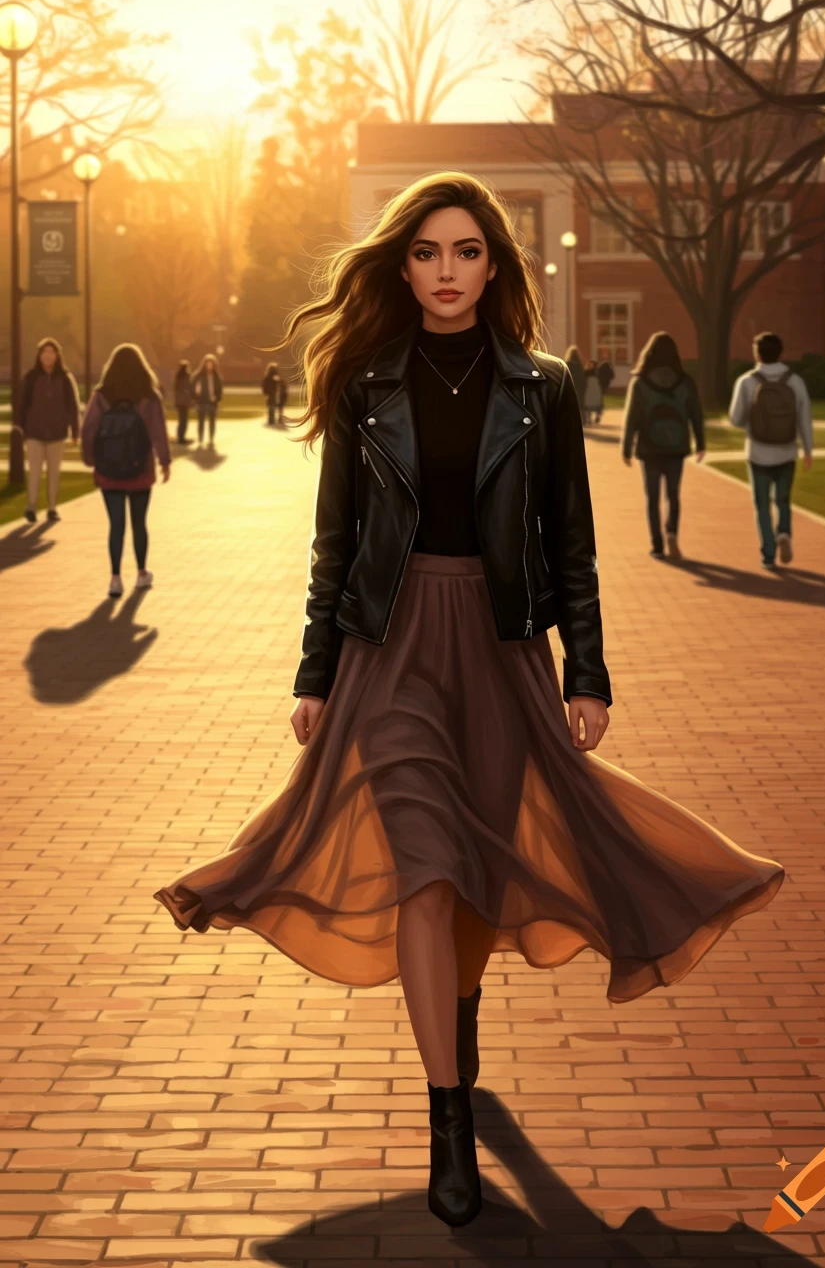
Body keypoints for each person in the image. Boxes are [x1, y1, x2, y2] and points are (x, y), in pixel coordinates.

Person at [153, 172, 784, 1231]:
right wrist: (315, 673)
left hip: (499, 650)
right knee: (425, 866)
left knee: (477, 866)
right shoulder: (364, 383)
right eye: (426, 253)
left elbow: (568, 542)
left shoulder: (541, 387)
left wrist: (584, 669)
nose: (445, 272)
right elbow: (334, 541)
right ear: (400, 267)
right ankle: (446, 1113)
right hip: (390, 652)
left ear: (494, 266)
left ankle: (459, 1002)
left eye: (465, 253)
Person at [80, 344, 171, 598]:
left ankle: (115, 578)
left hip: (108, 470)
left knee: (116, 524)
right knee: (139, 523)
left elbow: (88, 429)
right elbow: (158, 431)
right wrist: (164, 461)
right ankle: (142, 573)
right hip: (140, 469)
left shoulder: (101, 395)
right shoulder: (149, 396)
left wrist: (90, 459)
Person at [728, 332, 813, 569]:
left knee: (761, 505)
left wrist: (751, 420)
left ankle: (768, 554)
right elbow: (804, 417)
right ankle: (784, 532)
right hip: (787, 451)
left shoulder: (746, 381)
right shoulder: (795, 381)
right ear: (780, 351)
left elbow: (735, 418)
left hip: (757, 452)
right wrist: (808, 448)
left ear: (757, 353)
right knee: (783, 500)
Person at [621, 332, 706, 560]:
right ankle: (672, 533)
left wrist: (627, 448)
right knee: (673, 494)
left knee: (652, 498)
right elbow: (696, 414)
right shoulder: (685, 382)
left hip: (649, 448)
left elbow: (632, 418)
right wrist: (700, 442)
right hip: (676, 447)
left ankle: (657, 545)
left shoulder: (640, 382)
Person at [20, 337, 80, 523]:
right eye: (44, 352)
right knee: (35, 472)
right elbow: (22, 403)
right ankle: (31, 507)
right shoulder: (31, 377)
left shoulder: (65, 378)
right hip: (34, 433)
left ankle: (52, 508)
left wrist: (75, 431)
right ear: (39, 356)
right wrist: (20, 427)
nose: (47, 356)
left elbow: (73, 406)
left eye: (51, 352)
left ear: (57, 355)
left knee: (54, 472)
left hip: (57, 433)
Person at [191, 354, 223, 446]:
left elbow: (219, 389)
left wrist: (217, 398)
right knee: (201, 421)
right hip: (202, 402)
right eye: (207, 363)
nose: (209, 366)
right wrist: (195, 397)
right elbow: (193, 387)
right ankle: (200, 438)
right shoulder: (199, 376)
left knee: (212, 422)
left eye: (211, 364)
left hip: (212, 402)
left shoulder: (216, 376)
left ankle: (211, 439)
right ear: (204, 364)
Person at [564, 344, 586, 420]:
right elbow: (582, 377)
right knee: (580, 403)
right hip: (579, 386)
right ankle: (583, 419)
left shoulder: (567, 365)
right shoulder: (580, 365)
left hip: (570, 386)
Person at [174, 361, 193, 444]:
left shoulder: (177, 377)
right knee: (184, 420)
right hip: (184, 402)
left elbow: (176, 390)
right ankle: (181, 438)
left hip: (179, 402)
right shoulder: (186, 377)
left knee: (181, 420)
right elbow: (188, 389)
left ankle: (180, 436)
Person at [582, 359, 603, 426]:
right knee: (589, 403)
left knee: (596, 403)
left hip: (595, 389)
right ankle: (590, 419)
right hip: (590, 389)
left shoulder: (597, 372)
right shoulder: (588, 372)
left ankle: (597, 417)